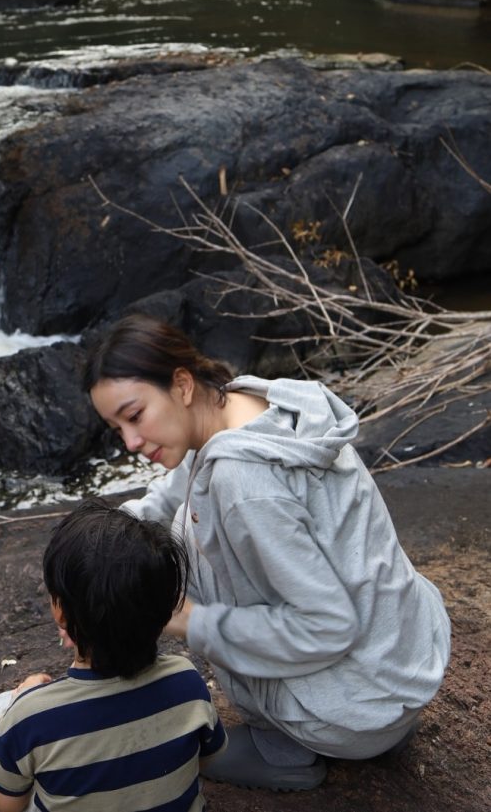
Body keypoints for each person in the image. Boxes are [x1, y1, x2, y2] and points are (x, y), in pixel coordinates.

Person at [84, 313, 451, 792]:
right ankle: (378, 726)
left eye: (134, 416)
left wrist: (188, 620)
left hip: (358, 709)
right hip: (403, 663)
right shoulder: (253, 400)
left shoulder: (244, 482)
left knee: (185, 541)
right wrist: (112, 528)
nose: (131, 442)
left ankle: (283, 747)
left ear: (180, 384)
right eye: (117, 429)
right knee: (183, 518)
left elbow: (328, 626)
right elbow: (188, 474)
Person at [0, 498, 227, 812]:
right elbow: (206, 759)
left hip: (30, 728)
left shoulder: (33, 715)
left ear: (60, 610)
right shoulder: (186, 680)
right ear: (166, 609)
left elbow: (8, 804)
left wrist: (22, 701)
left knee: (6, 713)